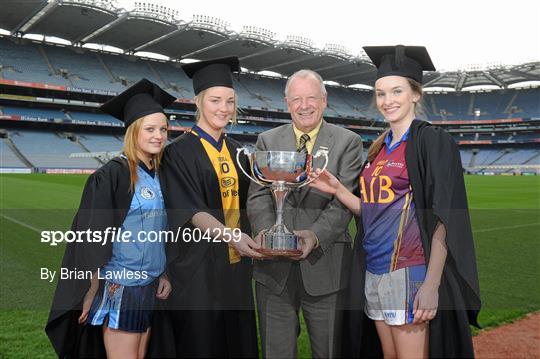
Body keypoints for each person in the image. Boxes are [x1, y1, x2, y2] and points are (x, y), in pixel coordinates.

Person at [309, 45, 481, 358]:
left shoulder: (431, 142)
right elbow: (371, 212)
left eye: (396, 91)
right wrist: (338, 190)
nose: (387, 101)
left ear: (415, 94)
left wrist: (430, 285)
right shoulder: (378, 150)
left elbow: (444, 219)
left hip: (408, 272)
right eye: (380, 93)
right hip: (374, 272)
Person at [45, 78, 175, 358]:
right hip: (122, 287)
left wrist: (163, 272)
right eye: (150, 129)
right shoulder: (113, 175)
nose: (159, 135)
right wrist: (90, 289)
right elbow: (92, 237)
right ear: (132, 131)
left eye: (163, 129)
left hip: (149, 285)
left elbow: (161, 230)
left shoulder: (160, 174)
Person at [246, 69, 364, 358]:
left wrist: (313, 235)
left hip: (326, 267)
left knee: (329, 351)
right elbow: (258, 195)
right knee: (276, 352)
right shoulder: (266, 140)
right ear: (287, 103)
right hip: (272, 271)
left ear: (324, 100)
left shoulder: (348, 141)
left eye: (311, 97)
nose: (304, 105)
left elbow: (343, 203)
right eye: (296, 99)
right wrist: (265, 233)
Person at [150, 56, 259, 358]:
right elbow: (190, 210)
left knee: (239, 343)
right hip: (197, 270)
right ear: (198, 102)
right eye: (215, 100)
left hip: (237, 268)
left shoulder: (239, 152)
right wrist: (231, 236)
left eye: (230, 101)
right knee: (202, 345)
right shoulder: (177, 153)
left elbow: (252, 205)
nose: (223, 108)